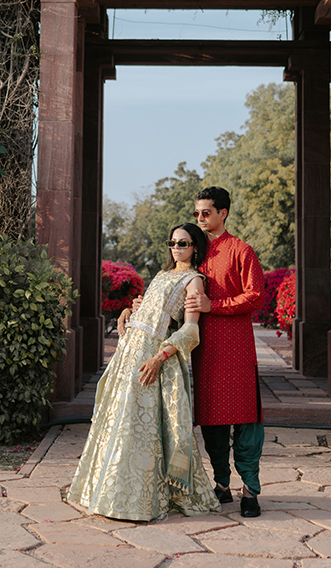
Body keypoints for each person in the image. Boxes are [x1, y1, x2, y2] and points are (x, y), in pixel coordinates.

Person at [67, 223, 221, 522]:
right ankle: (107, 489)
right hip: (129, 353)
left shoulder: (194, 281)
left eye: (184, 243)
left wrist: (159, 358)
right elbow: (148, 310)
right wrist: (129, 311)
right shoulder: (163, 275)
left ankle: (138, 498)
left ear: (195, 248)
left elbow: (190, 330)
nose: (176, 248)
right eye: (173, 242)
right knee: (119, 420)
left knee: (140, 428)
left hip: (151, 357)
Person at [185, 185, 266, 518]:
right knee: (212, 421)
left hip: (237, 348)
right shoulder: (193, 252)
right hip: (206, 351)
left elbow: (255, 296)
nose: (201, 219)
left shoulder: (240, 250)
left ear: (223, 213)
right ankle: (221, 485)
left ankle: (250, 489)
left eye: (206, 212)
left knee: (246, 421)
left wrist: (212, 305)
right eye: (197, 214)